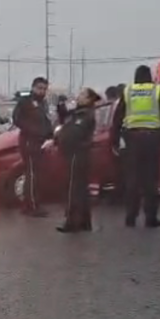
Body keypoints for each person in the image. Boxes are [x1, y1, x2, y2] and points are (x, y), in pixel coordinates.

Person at [109, 65, 160, 228]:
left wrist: (115, 140)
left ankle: (131, 217)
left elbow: (117, 118)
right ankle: (150, 218)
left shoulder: (128, 91)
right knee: (151, 180)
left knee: (132, 179)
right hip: (152, 139)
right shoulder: (157, 91)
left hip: (132, 139)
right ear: (149, 76)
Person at [56, 87, 99, 233]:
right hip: (78, 154)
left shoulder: (85, 115)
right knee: (81, 189)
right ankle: (84, 222)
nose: (78, 97)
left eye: (82, 95)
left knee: (73, 189)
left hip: (77, 154)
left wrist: (62, 140)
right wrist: (61, 105)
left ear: (89, 99)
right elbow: (65, 119)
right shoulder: (79, 112)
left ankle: (71, 222)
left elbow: (74, 134)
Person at [12, 77, 54, 217]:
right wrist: (33, 130)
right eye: (39, 88)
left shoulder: (43, 104)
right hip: (29, 142)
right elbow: (17, 119)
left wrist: (50, 135)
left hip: (41, 143)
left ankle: (32, 203)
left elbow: (46, 122)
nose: (42, 91)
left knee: (38, 174)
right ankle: (31, 206)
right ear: (33, 87)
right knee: (31, 174)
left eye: (44, 89)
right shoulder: (25, 102)